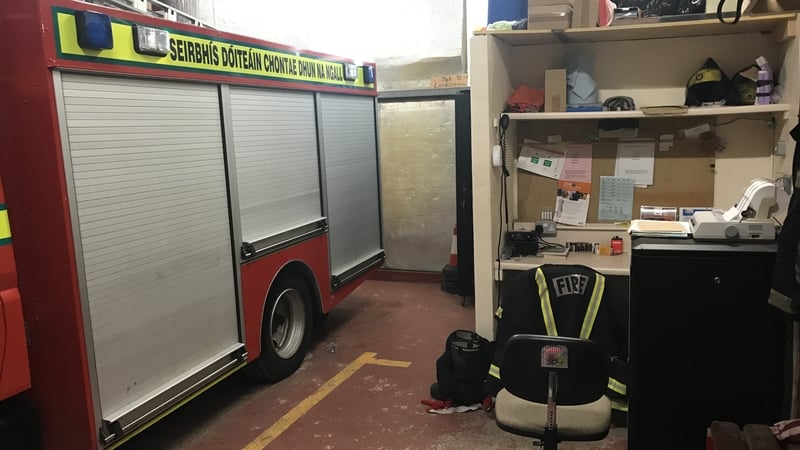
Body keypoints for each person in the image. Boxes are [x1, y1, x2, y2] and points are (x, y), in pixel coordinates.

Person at [486, 264, 630, 422]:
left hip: (529, 388)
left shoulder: (522, 287)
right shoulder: (604, 287)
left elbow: (505, 332)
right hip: (589, 389)